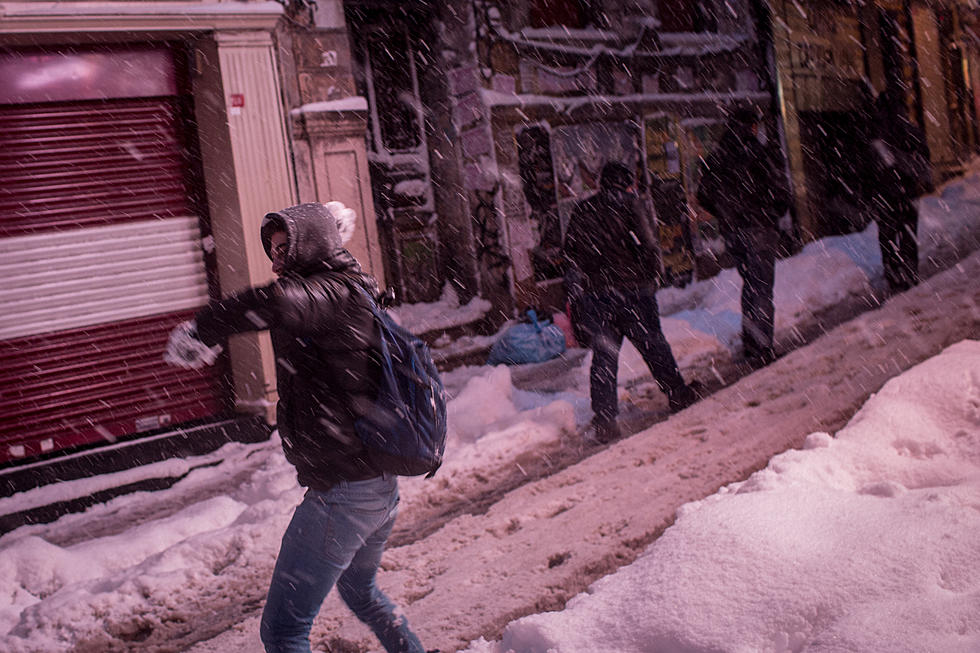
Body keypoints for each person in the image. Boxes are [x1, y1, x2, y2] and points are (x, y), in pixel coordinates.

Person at [164, 202, 428, 653]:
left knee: (284, 633)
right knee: (359, 592)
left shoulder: (329, 295)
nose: (276, 260)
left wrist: (202, 330)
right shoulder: (346, 288)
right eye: (273, 250)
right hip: (375, 488)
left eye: (286, 249)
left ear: (312, 247)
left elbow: (271, 303)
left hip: (345, 493)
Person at [562, 161, 701, 444]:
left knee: (604, 358)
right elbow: (650, 245)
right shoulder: (632, 204)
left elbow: (571, 255)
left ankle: (605, 420)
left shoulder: (581, 209)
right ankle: (676, 393)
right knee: (653, 345)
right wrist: (652, 277)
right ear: (626, 183)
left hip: (598, 295)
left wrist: (582, 291)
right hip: (633, 292)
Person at [696, 106, 791, 368]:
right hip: (759, 228)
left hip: (733, 230)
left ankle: (752, 343)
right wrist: (770, 212)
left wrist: (726, 212)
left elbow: (703, 194)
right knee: (760, 288)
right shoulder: (760, 153)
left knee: (750, 285)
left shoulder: (718, 157)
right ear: (751, 126)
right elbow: (781, 190)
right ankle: (761, 347)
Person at [865, 88, 933, 293]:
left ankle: (893, 274)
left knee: (887, 236)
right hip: (908, 192)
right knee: (909, 234)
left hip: (884, 194)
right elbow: (923, 157)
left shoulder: (875, 134)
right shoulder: (909, 129)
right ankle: (910, 273)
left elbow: (867, 168)